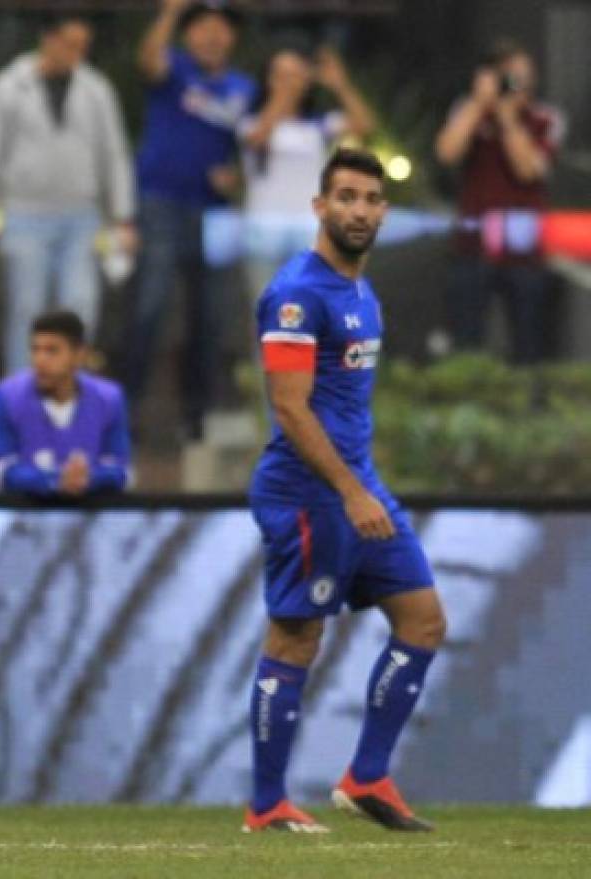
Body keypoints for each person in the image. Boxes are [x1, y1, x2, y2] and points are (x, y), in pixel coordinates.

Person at [245, 149, 446, 832]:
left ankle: (366, 776)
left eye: (370, 199)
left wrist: (363, 487)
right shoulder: (297, 293)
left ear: (383, 211)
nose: (359, 209)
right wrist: (351, 491)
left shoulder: (362, 291)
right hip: (306, 491)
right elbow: (291, 408)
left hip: (358, 486)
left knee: (423, 620)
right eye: (346, 196)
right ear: (319, 207)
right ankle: (267, 803)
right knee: (297, 635)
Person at [0, 14, 136, 373]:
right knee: (27, 310)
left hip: (82, 217)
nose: (77, 54)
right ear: (49, 39)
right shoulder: (9, 86)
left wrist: (122, 218)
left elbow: (113, 153)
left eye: (83, 47)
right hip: (25, 214)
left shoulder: (96, 89)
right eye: (71, 44)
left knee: (81, 305)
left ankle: (74, 394)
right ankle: (21, 398)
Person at [126, 0, 254, 440]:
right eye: (202, 27)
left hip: (214, 212)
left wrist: (236, 176)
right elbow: (146, 60)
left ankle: (195, 419)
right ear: (187, 33)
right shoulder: (175, 70)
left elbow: (255, 149)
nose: (213, 36)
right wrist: (168, 13)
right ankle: (125, 413)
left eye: (221, 28)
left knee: (209, 317)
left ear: (234, 36)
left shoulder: (244, 87)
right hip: (160, 203)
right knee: (150, 306)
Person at [434, 39, 565, 364]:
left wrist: (507, 118)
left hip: (523, 246)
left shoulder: (546, 118)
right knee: (466, 338)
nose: (517, 85)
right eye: (509, 77)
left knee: (528, 341)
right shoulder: (469, 110)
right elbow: (446, 154)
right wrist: (479, 104)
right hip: (473, 239)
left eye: (524, 76)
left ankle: (529, 405)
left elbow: (528, 169)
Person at [239, 46, 375, 299]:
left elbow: (364, 125)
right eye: (281, 75)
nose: (289, 83)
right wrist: (283, 97)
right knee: (268, 311)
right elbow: (257, 139)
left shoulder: (317, 125)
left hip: (309, 232)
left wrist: (339, 85)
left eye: (296, 75)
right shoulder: (250, 121)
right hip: (263, 229)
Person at [0, 310, 129, 498]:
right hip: (25, 521)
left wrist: (89, 479)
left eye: (52, 351)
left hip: (87, 522)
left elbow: (121, 471)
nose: (40, 360)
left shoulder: (110, 399)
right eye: (35, 349)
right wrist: (54, 480)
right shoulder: (5, 396)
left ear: (79, 355)